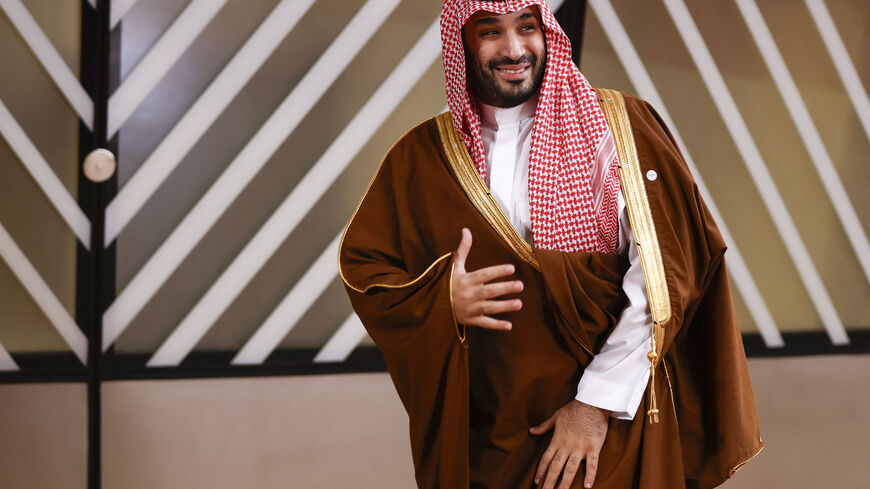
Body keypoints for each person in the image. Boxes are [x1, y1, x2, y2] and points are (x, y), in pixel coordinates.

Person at [339, 1, 762, 488]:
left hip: (607, 433)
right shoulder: (421, 157)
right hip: (489, 438)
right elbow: (367, 269)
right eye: (491, 32)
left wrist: (594, 406)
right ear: (462, 41)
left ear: (548, 33)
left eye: (527, 27)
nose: (514, 48)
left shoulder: (618, 127)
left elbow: (662, 275)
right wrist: (440, 299)